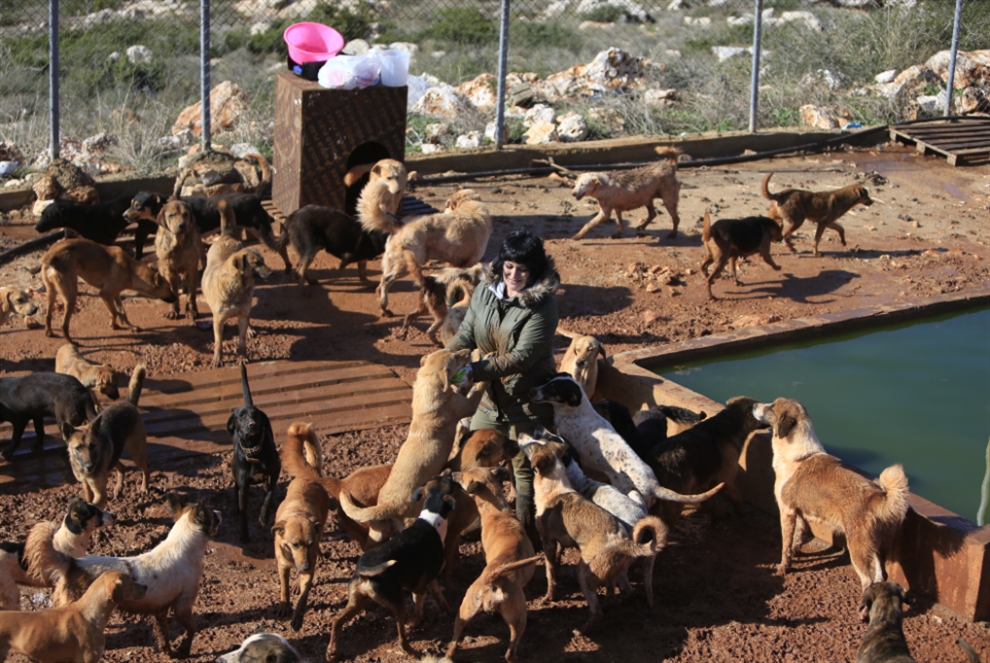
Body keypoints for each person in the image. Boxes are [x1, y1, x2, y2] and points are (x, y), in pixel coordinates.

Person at [446, 229, 560, 528]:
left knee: (524, 468)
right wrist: (445, 360)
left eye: (522, 269)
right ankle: (466, 522)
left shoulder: (544, 306)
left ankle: (529, 532)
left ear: (534, 270)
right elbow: (469, 332)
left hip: (527, 396)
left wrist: (473, 371)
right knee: (471, 457)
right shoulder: (485, 290)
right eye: (509, 266)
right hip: (490, 396)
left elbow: (522, 357)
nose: (513, 274)